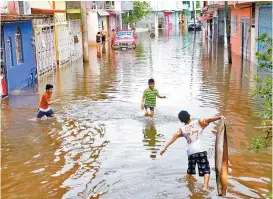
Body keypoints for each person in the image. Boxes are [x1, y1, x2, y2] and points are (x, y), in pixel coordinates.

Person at [160, 110, 226, 191]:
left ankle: (185, 181)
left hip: (191, 152)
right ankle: (205, 187)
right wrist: (219, 117)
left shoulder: (182, 129)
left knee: (190, 170)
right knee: (206, 169)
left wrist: (164, 148)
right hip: (200, 150)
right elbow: (208, 120)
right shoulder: (198, 122)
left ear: (181, 121)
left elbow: (173, 138)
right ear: (189, 115)